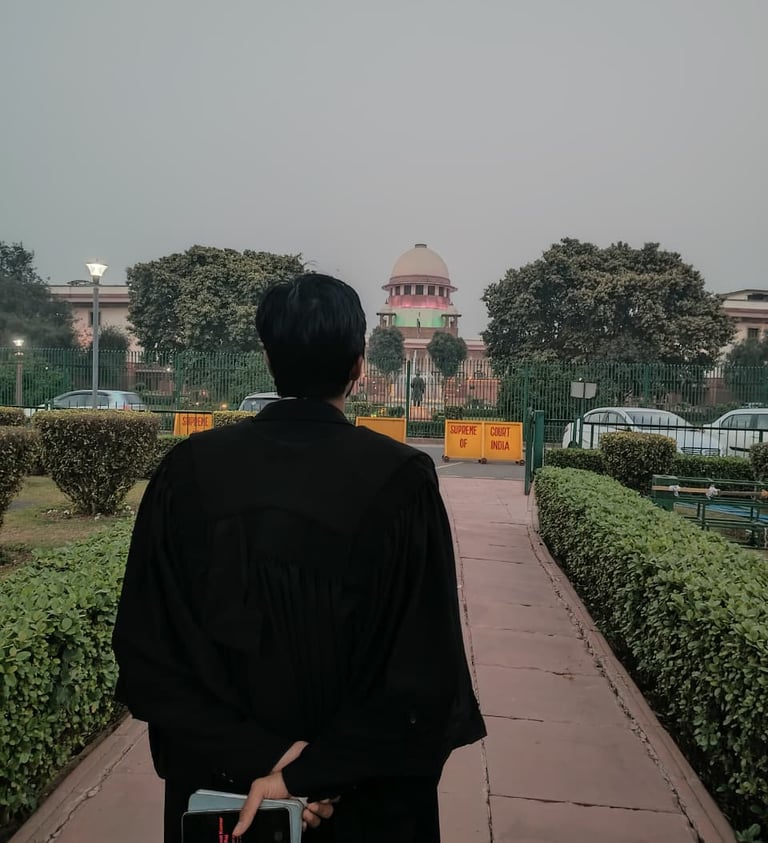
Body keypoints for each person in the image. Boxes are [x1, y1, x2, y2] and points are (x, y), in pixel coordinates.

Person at [112, 273, 486, 842]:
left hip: (224, 795)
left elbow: (148, 652)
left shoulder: (189, 471)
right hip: (360, 804)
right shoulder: (400, 481)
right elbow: (422, 671)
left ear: (269, 358)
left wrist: (267, 758)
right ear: (359, 365)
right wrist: (312, 774)